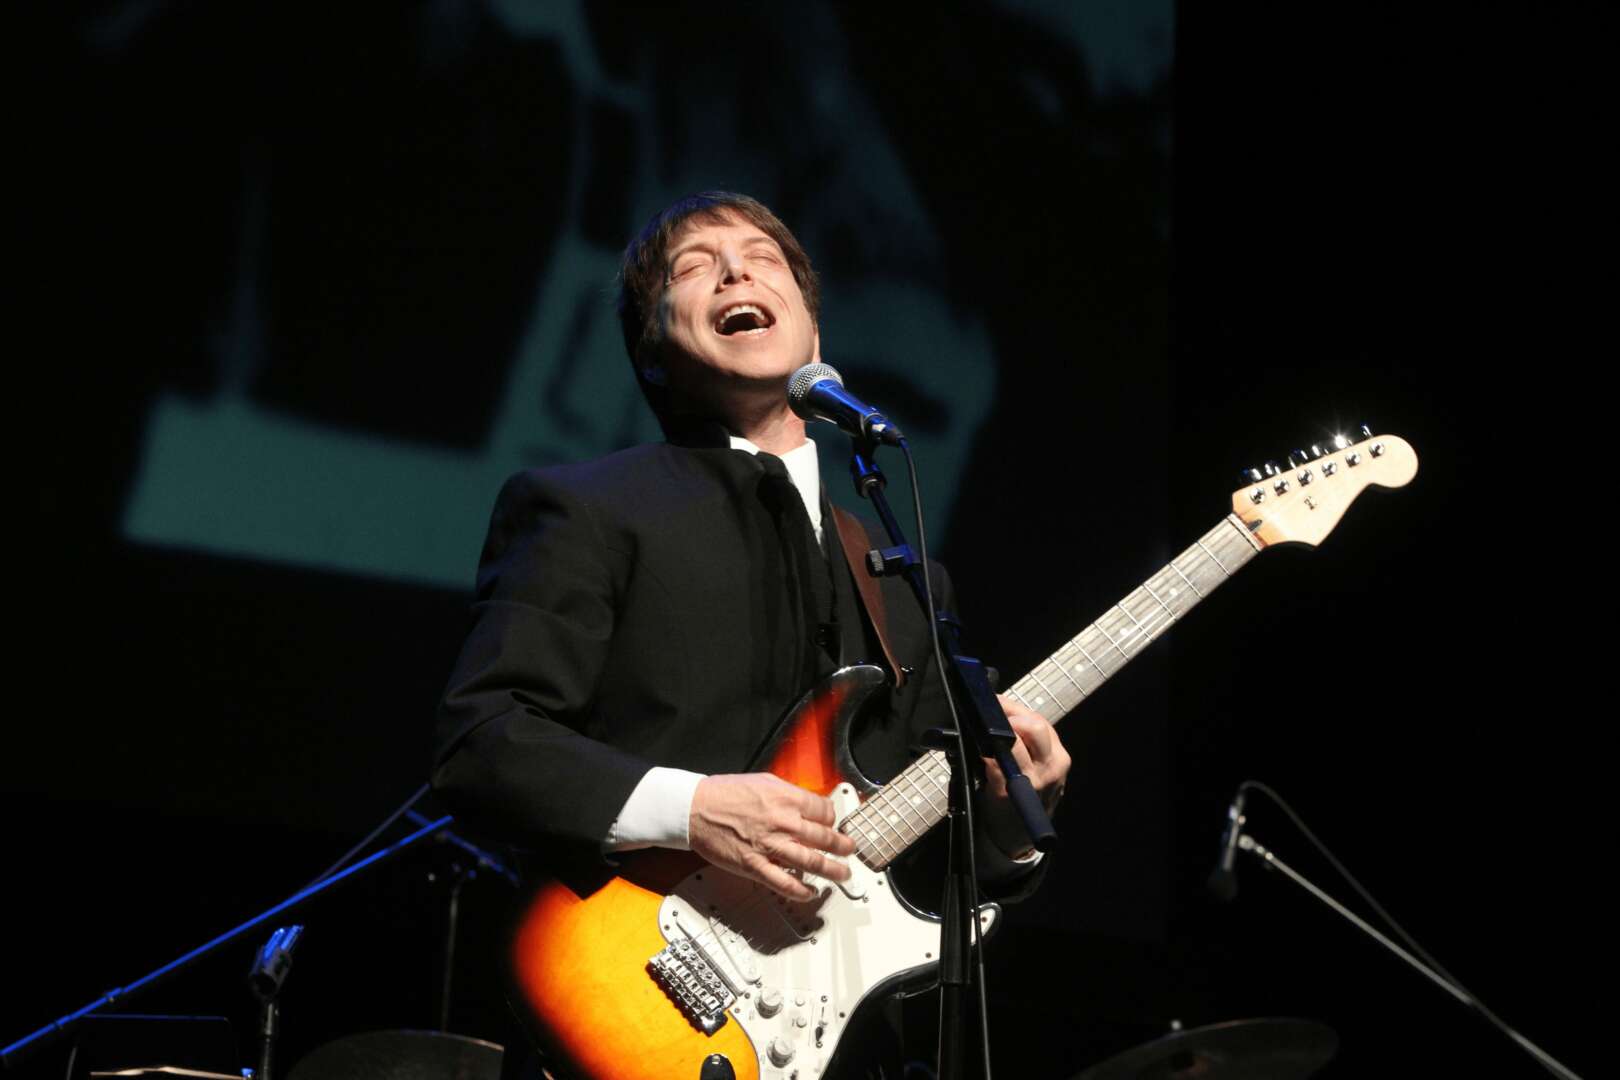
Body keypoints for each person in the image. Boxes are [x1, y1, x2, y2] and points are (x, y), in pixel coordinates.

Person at [430, 193, 1070, 1069]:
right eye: (695, 267)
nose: (736, 270)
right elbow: (481, 741)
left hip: (838, 1047)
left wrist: (1006, 825)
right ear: (652, 352)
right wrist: (695, 811)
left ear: (815, 335)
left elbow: (920, 876)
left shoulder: (904, 578)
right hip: (630, 1006)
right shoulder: (584, 508)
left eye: (764, 259)